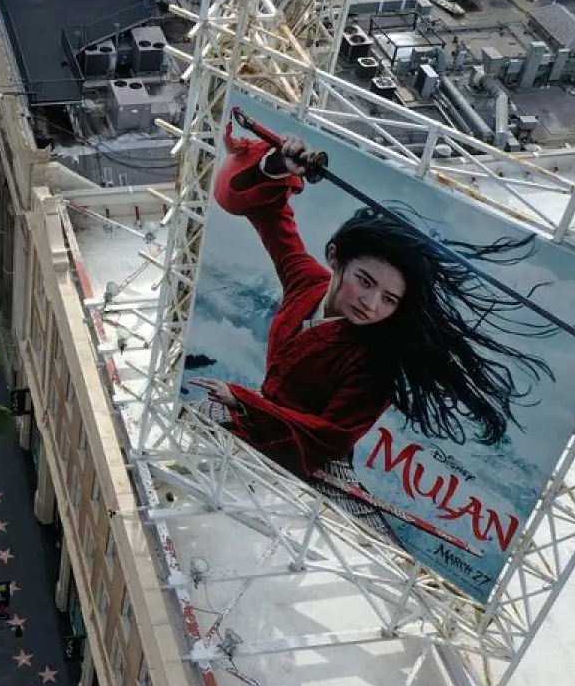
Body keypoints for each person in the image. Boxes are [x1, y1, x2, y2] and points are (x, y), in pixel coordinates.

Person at [186, 117, 555, 482]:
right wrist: (278, 165)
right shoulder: (307, 281)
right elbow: (257, 208)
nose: (371, 304)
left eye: (390, 299)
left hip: (317, 464)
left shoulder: (377, 360)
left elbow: (331, 436)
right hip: (255, 420)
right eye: (365, 281)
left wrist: (247, 403)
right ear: (335, 257)